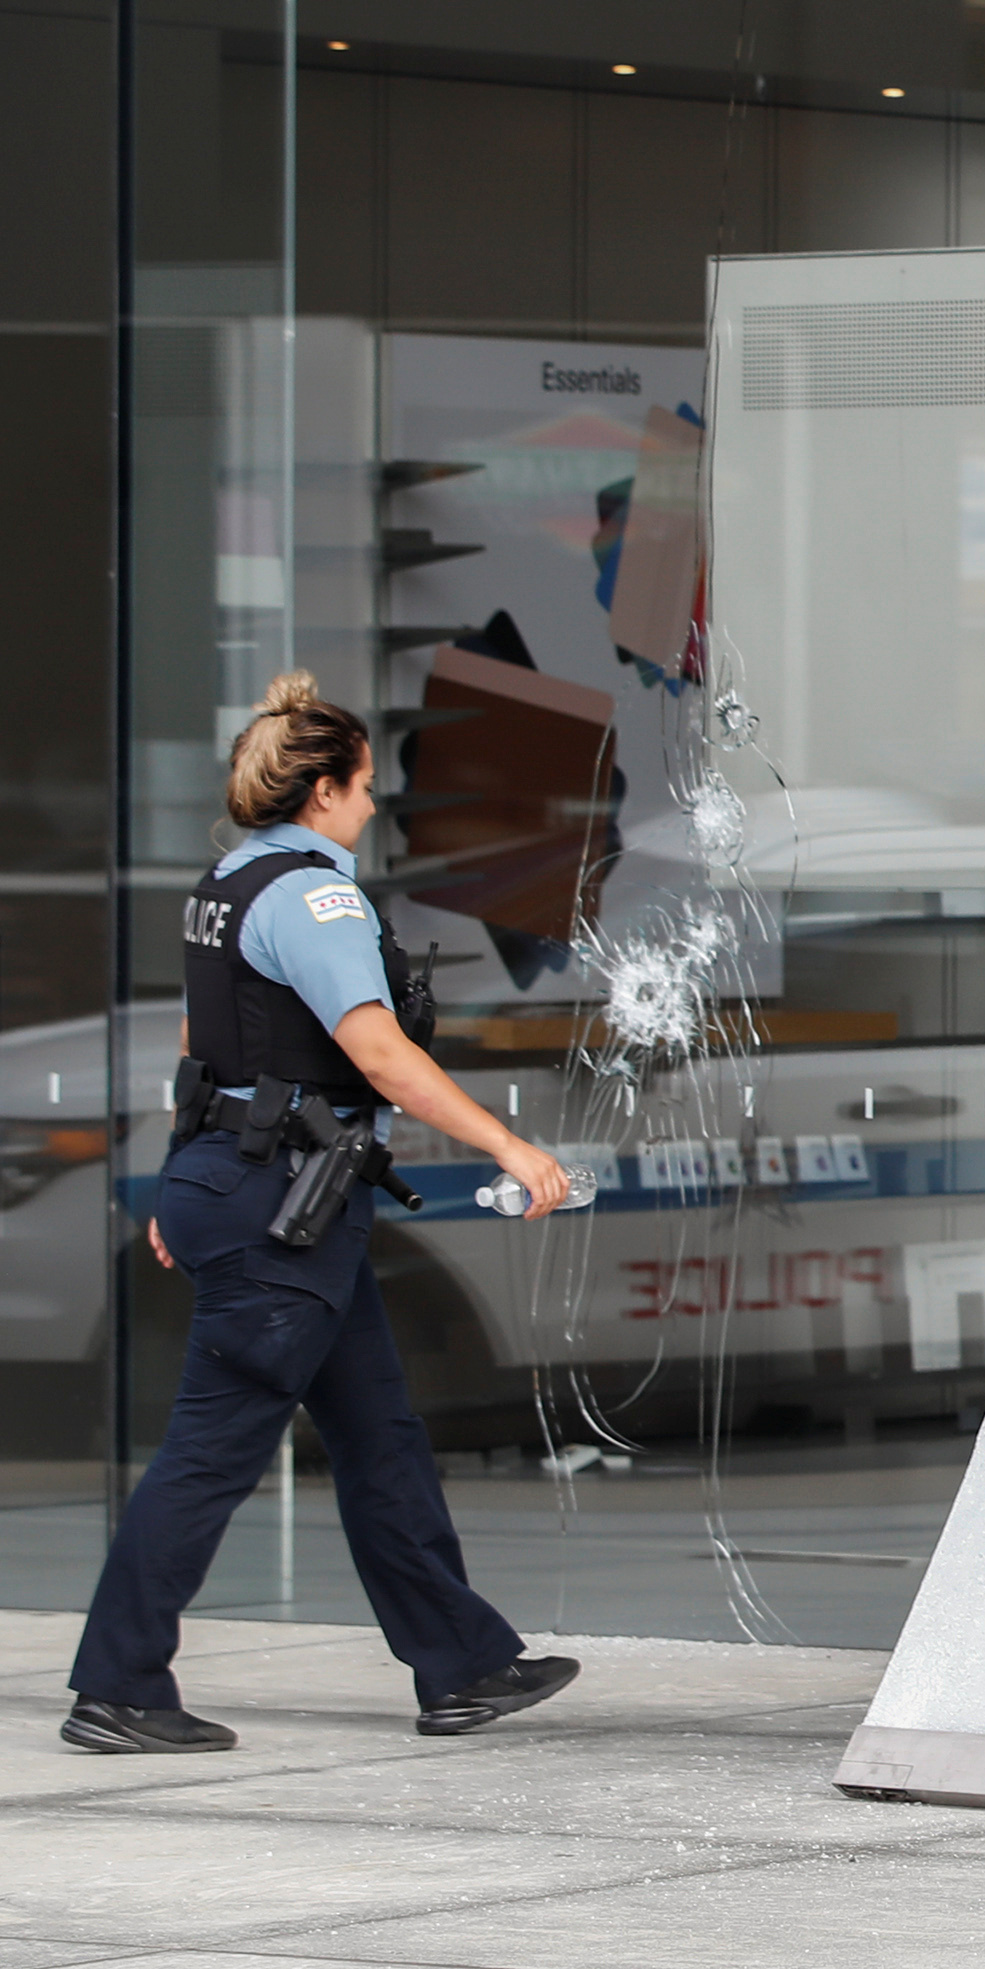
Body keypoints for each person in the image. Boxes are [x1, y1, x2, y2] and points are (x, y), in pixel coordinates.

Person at [61, 673, 586, 1754]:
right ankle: (116, 1684)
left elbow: (196, 1051)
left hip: (249, 1187)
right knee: (211, 1451)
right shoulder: (315, 896)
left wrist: (178, 1177)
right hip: (276, 1210)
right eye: (364, 787)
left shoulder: (225, 883)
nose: (373, 806)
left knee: (379, 1436)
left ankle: (463, 1663)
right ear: (325, 792)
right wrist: (511, 1145)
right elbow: (379, 1051)